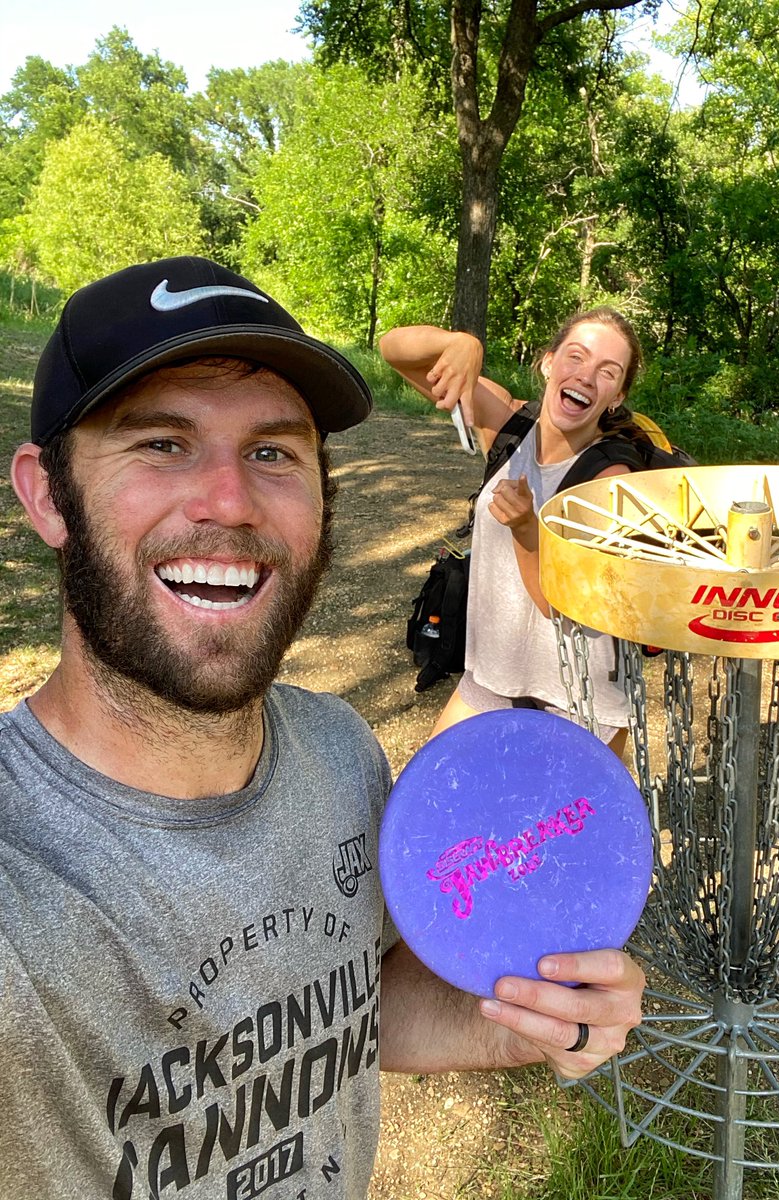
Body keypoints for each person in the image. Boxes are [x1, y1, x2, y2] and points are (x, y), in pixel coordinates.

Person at [0, 257, 645, 1199]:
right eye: (161, 444)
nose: (229, 500)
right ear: (48, 495)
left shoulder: (342, 756)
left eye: (272, 452)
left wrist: (513, 1018)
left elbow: (341, 1004)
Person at [379, 310, 645, 754]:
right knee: (432, 810)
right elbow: (393, 349)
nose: (585, 377)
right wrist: (461, 342)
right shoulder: (509, 423)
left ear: (616, 397)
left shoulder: (611, 477)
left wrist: (526, 529)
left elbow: (559, 604)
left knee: (560, 826)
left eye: (607, 372)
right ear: (548, 362)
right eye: (575, 357)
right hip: (491, 679)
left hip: (580, 703)